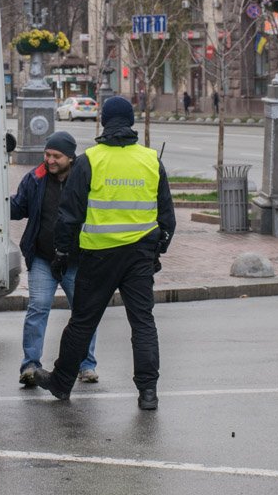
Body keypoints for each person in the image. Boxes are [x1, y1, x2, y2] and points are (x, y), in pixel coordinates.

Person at [34, 96, 177, 411]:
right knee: (142, 323)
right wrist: (157, 250)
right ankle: (148, 392)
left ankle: (60, 383)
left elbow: (69, 215)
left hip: (98, 257)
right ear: (131, 122)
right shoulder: (151, 160)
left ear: (103, 121)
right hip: (139, 256)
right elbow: (167, 218)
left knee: (83, 322)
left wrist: (61, 252)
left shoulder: (89, 161)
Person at [10, 131, 97, 387]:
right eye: (47, 155)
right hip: (43, 258)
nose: (49, 160)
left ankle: (87, 364)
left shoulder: (84, 178)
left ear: (70, 157)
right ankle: (30, 365)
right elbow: (19, 207)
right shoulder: (36, 178)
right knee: (38, 308)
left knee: (83, 313)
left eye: (56, 156)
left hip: (76, 259)